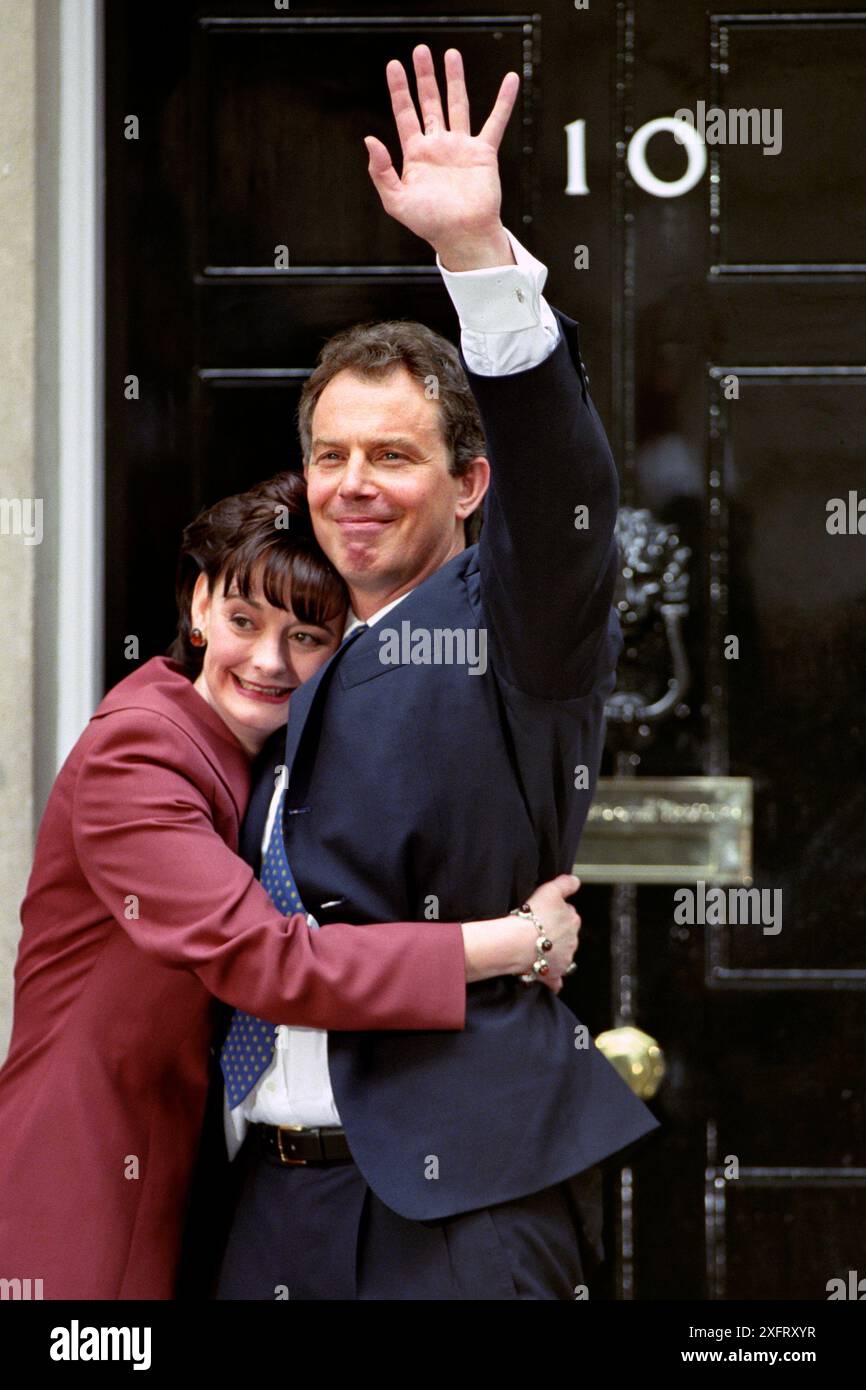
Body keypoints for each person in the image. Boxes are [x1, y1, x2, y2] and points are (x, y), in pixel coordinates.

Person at [212, 46, 660, 1303]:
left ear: (467, 484)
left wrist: (475, 258)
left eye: (392, 455)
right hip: (269, 1202)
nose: (351, 484)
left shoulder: (518, 620)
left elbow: (564, 488)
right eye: (329, 454)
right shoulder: (277, 648)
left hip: (450, 1212)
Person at [0, 469, 581, 1300]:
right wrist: (512, 943)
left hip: (210, 1186)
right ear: (198, 608)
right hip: (86, 1176)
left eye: (307, 635)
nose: (269, 661)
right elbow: (271, 963)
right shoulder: (138, 755)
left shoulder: (270, 754)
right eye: (243, 621)